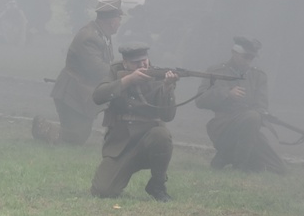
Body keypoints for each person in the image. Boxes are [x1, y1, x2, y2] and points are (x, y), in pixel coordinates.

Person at [90, 43, 178, 202]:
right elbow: (98, 96)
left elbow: (168, 116)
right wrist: (128, 80)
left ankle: (157, 184)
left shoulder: (159, 75)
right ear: (125, 63)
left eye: (144, 61)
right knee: (102, 191)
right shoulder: (116, 71)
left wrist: (167, 88)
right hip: (121, 143)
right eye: (136, 62)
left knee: (162, 135)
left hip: (149, 140)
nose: (142, 65)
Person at [32, 0, 123, 145]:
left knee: (80, 135)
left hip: (82, 93)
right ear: (112, 21)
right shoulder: (90, 37)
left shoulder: (101, 34)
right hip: (72, 94)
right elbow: (97, 69)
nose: (120, 22)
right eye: (119, 19)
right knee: (76, 138)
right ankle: (43, 127)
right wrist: (123, 72)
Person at [195, 37, 286, 173]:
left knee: (279, 168)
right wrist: (227, 93)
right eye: (246, 56)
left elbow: (261, 105)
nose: (249, 60)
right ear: (234, 53)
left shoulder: (258, 76)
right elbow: (200, 100)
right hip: (223, 125)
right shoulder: (216, 71)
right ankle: (239, 166)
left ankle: (224, 156)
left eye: (252, 57)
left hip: (249, 127)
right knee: (252, 117)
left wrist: (262, 114)